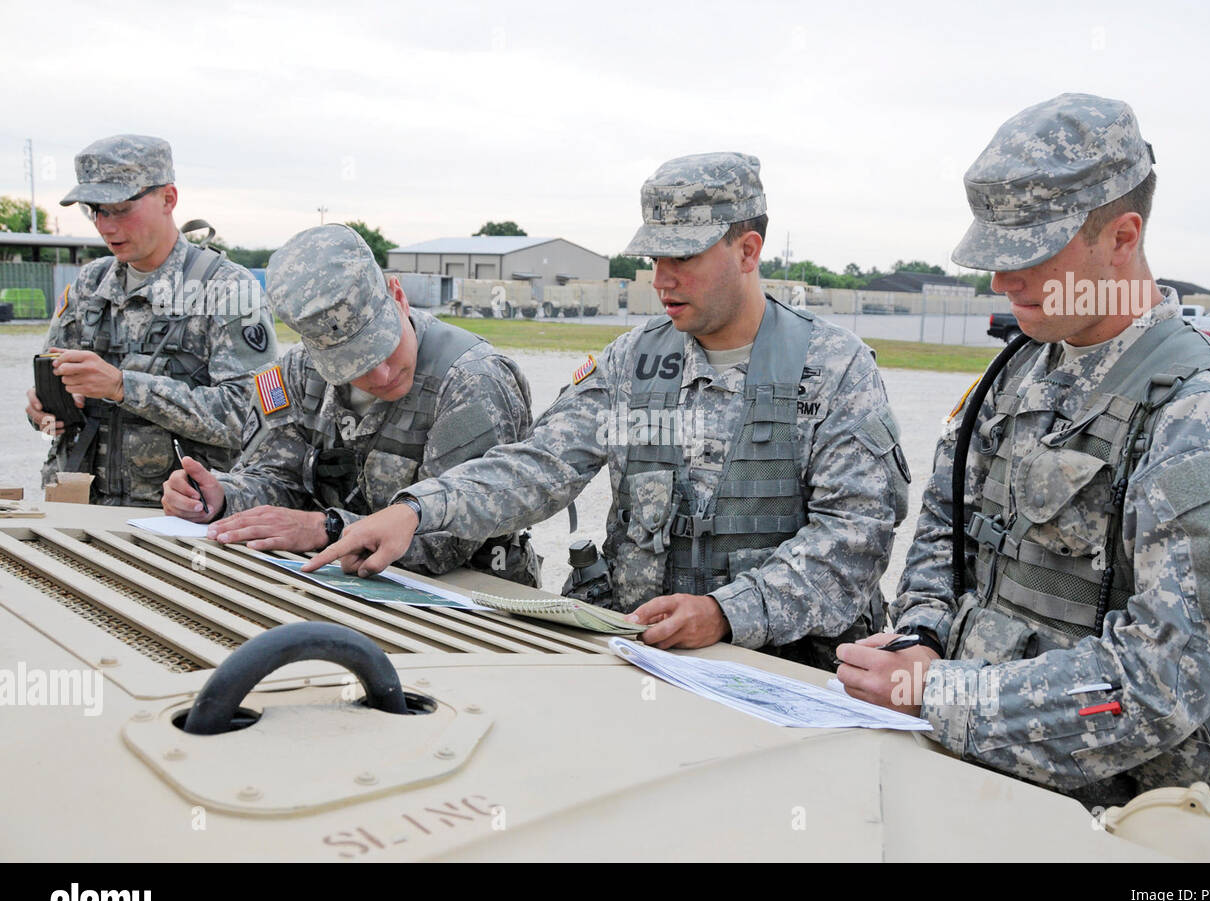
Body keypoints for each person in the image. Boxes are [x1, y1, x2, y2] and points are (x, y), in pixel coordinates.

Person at [837, 93, 1210, 813]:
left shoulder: (1206, 419)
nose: (1000, 281)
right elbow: (943, 528)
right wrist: (921, 637)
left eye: (1027, 255)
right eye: (993, 255)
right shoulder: (1017, 373)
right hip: (981, 770)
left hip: (1126, 815)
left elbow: (1159, 684)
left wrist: (938, 692)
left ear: (1122, 236)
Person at [303, 152, 911, 671]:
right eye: (654, 260)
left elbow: (854, 537)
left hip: (780, 673)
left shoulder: (833, 369)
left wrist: (729, 612)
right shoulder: (632, 362)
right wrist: (416, 510)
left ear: (747, 250)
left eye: (685, 258)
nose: (661, 280)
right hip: (644, 661)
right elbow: (540, 466)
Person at [161, 224, 540, 585]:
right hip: (341, 585)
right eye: (351, 365)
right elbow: (276, 478)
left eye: (384, 347)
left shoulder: (472, 381)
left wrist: (325, 529)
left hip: (470, 601)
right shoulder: (294, 373)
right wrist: (224, 497)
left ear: (399, 296)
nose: (381, 374)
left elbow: (450, 536)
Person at [25, 134, 275, 505]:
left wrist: (124, 387)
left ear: (168, 198)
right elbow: (52, 405)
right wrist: (44, 414)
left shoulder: (227, 289)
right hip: (77, 507)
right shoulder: (90, 284)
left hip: (178, 520)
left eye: (121, 208)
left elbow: (249, 418)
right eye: (95, 210)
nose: (106, 227)